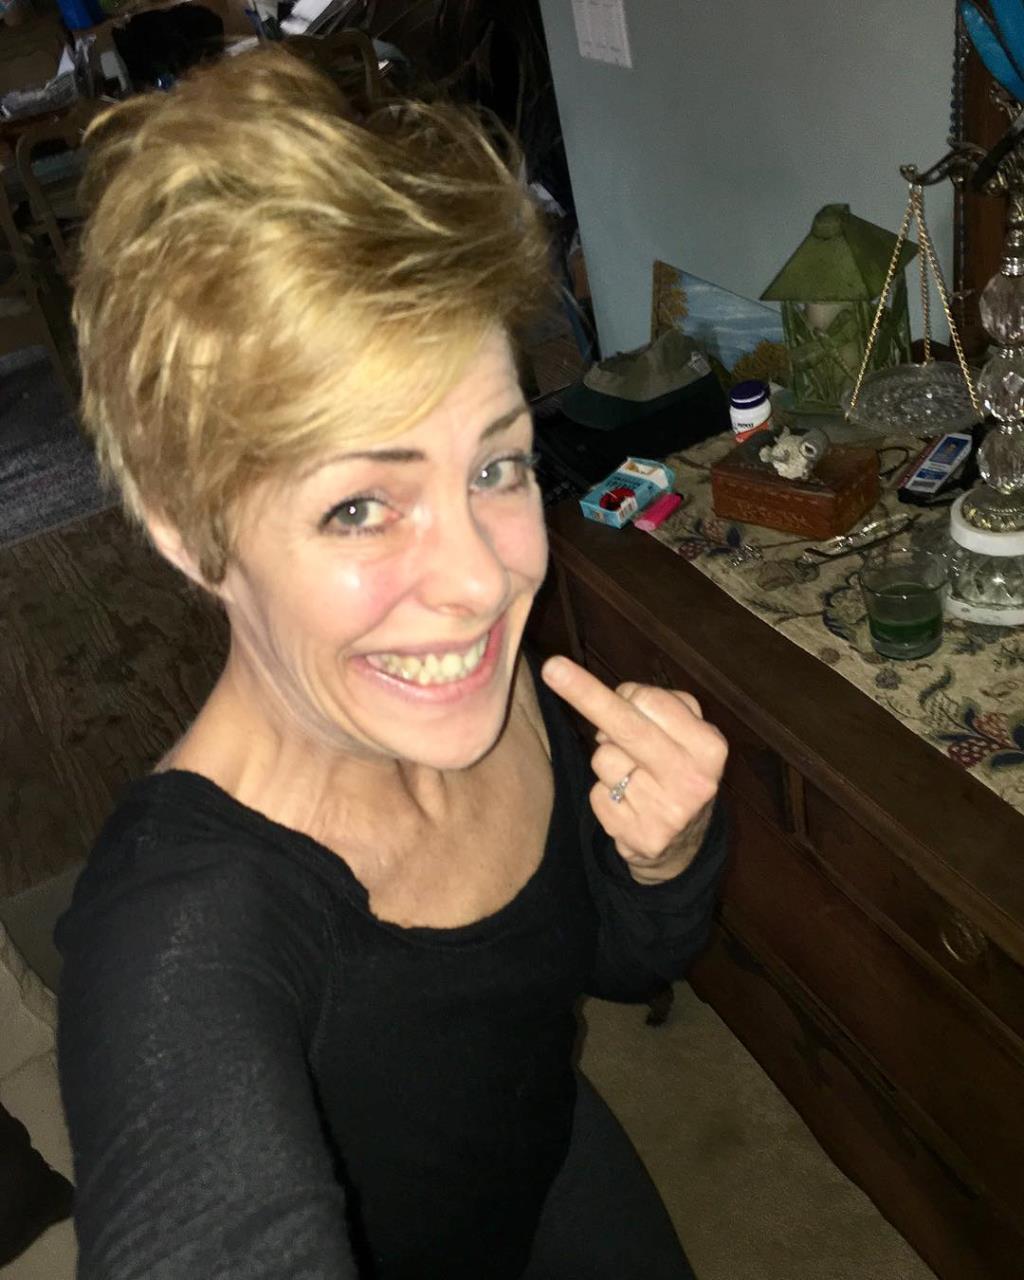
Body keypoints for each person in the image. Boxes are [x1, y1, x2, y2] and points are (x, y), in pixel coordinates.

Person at [56, 48, 729, 1280]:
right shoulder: (176, 929)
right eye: (360, 505)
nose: (480, 580)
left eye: (495, 466)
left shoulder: (485, 687)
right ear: (188, 531)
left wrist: (662, 853)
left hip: (551, 1156)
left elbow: (613, 957)